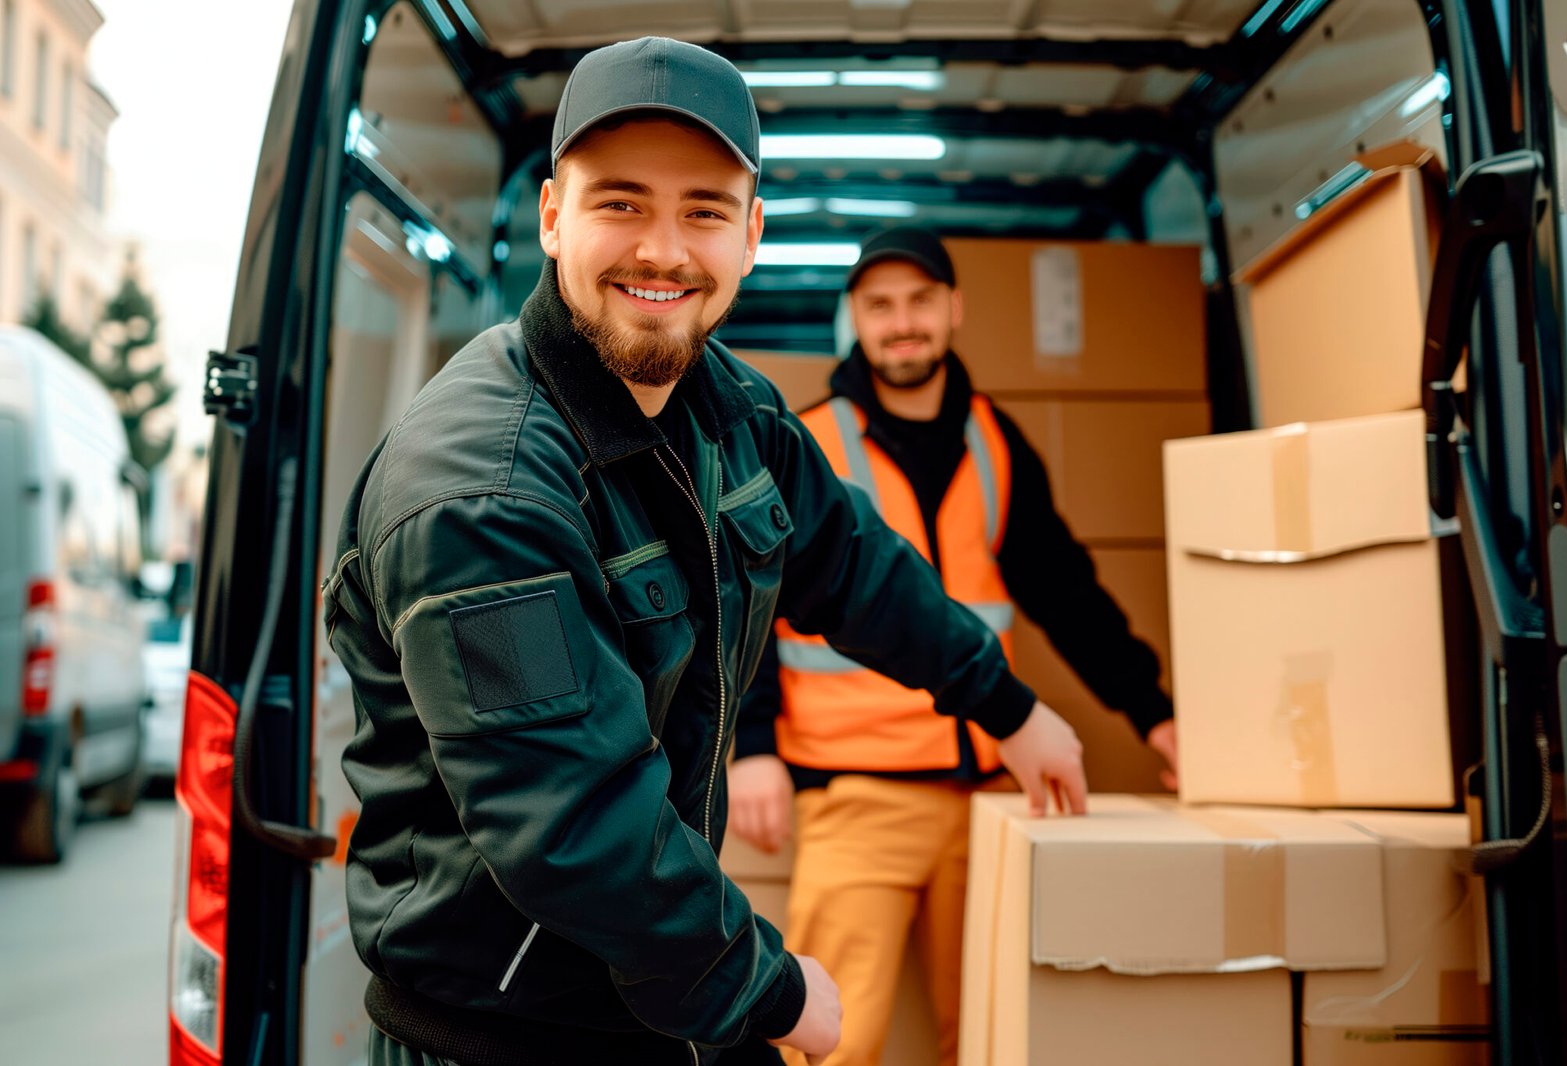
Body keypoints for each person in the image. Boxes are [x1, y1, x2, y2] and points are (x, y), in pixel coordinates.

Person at [324, 39, 1087, 1066]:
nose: (663, 251)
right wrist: (764, 986)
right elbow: (570, 819)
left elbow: (853, 563)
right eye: (621, 203)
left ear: (751, 234)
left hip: (649, 1001)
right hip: (499, 1035)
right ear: (552, 216)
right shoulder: (479, 494)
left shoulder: (729, 409)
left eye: (704, 212)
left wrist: (1007, 707)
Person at [728, 225, 1179, 1066]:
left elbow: (1067, 596)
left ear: (954, 308)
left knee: (994, 1038)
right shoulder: (811, 442)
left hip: (991, 794)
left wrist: (1154, 713)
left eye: (920, 301)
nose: (902, 323)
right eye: (880, 306)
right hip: (855, 795)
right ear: (853, 320)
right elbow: (748, 602)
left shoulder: (995, 442)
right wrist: (751, 747)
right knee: (829, 1044)